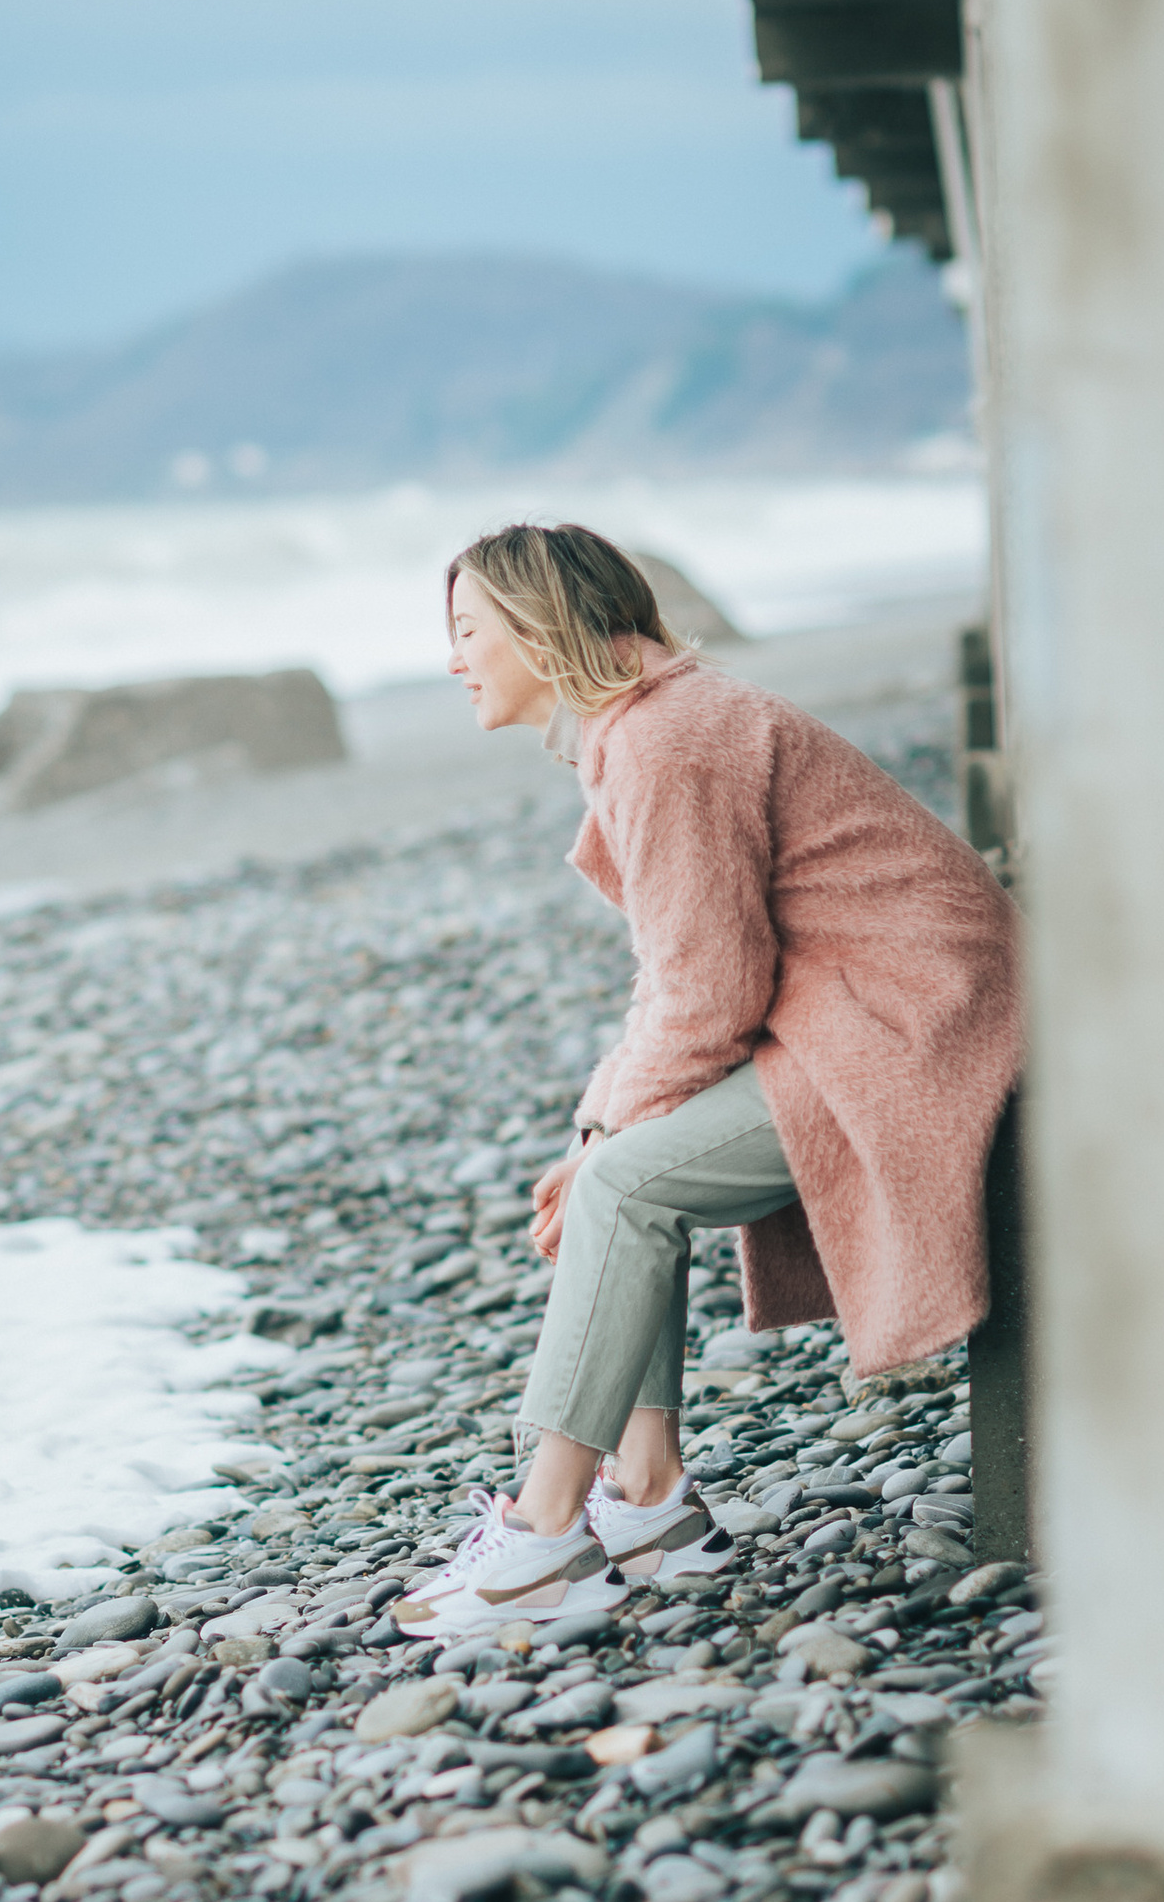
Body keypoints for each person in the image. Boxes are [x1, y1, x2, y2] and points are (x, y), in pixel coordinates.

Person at [398, 521, 1022, 1639]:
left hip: (916, 1019)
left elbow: (706, 988)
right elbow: (686, 980)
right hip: (861, 1001)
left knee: (626, 1185)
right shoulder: (651, 726)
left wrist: (600, 1145)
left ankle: (543, 1540)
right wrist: (599, 1119)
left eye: (467, 630)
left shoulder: (663, 742)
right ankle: (647, 1499)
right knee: (621, 1167)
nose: (452, 658)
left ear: (541, 632)